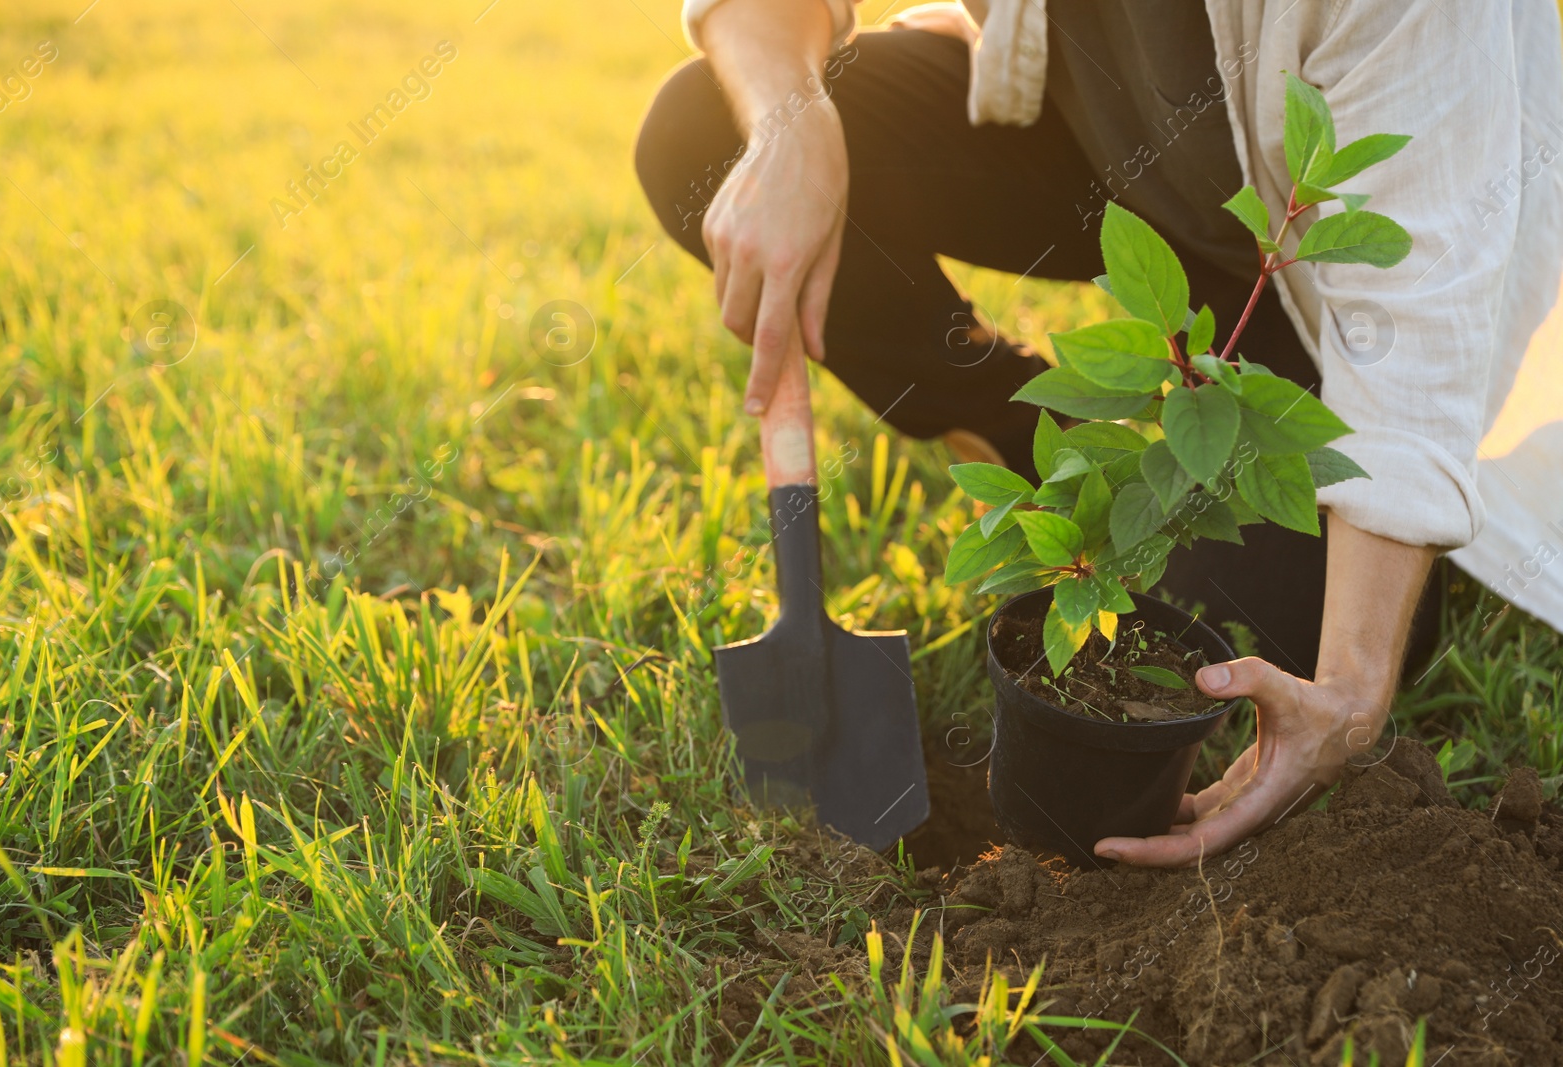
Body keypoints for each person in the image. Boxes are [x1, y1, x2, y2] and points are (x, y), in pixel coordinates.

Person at [634, 0, 1563, 866]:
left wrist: (1352, 689)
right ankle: (1018, 433)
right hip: (1094, 149)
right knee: (704, 136)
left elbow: (1416, 307)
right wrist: (790, 119)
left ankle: (1209, 452)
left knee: (1251, 623)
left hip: (1309, 262)